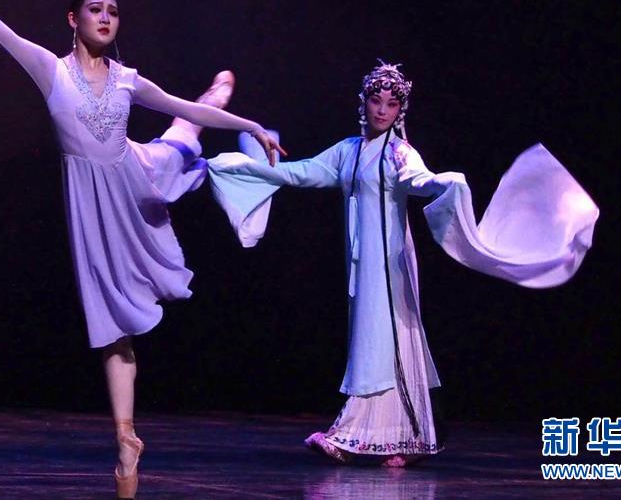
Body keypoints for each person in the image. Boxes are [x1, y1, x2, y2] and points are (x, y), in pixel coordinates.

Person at [0, 0, 286, 498]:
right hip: (94, 208)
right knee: (113, 322)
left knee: (183, 136)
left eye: (113, 11)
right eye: (96, 9)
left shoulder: (127, 80)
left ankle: (220, 89)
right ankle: (126, 439)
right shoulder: (48, 69)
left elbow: (180, 108)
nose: (106, 17)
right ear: (73, 20)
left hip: (137, 178)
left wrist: (249, 124)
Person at [207, 61, 598, 467]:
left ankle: (363, 434)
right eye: (376, 101)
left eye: (391, 104)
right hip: (363, 262)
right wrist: (250, 166)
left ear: (400, 111)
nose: (382, 110)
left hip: (390, 262)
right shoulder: (348, 150)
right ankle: (404, 439)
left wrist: (442, 181)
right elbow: (305, 173)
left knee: (382, 337)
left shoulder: (399, 152)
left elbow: (417, 178)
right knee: (373, 337)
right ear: (363, 102)